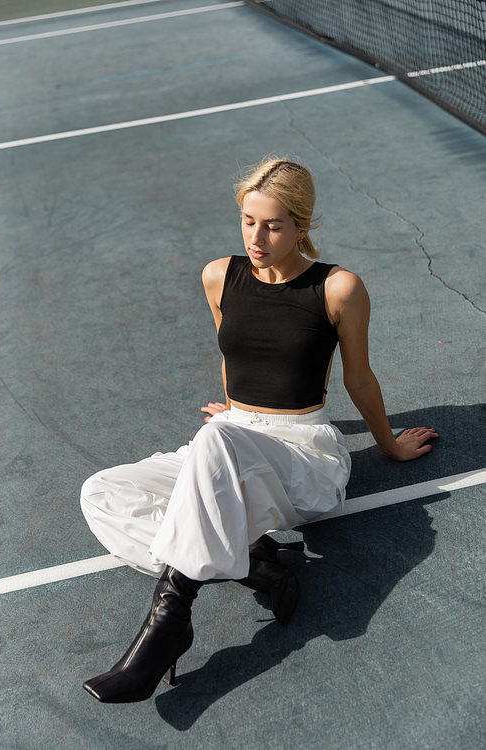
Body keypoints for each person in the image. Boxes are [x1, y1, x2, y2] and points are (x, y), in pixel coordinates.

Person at [80, 156, 438, 704]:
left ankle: (169, 622)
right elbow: (233, 350)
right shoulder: (219, 275)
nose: (257, 236)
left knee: (215, 440)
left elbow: (360, 379)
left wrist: (388, 445)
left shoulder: (338, 289)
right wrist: (234, 407)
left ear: (302, 225)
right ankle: (258, 569)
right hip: (234, 436)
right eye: (249, 221)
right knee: (103, 492)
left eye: (272, 225)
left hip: (304, 458)